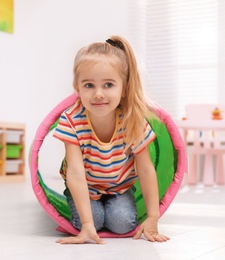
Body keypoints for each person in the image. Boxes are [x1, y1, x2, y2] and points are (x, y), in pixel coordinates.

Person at [53, 35, 169, 244]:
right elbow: (76, 172)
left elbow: (145, 169)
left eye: (108, 85)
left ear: (123, 88)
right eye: (89, 85)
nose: (98, 94)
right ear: (77, 87)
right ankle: (90, 216)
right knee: (93, 221)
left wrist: (153, 217)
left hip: (119, 187)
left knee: (122, 223)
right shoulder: (71, 119)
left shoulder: (132, 120)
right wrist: (87, 225)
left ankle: (109, 206)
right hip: (85, 187)